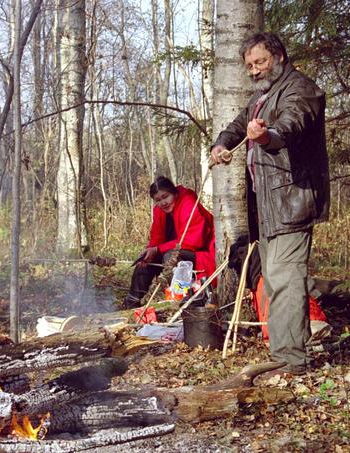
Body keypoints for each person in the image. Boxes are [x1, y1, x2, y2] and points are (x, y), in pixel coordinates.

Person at [210, 33, 330, 376]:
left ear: (278, 56)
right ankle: (285, 354)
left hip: (292, 202)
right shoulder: (262, 96)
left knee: (286, 280)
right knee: (274, 280)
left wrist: (266, 136)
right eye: (249, 65)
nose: (254, 70)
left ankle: (291, 360)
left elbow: (290, 126)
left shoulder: (301, 89)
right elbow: (237, 127)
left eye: (259, 62)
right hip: (267, 208)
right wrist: (222, 144)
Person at [123, 176, 216, 308]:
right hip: (179, 251)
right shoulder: (159, 211)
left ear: (174, 193)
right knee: (144, 263)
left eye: (166, 197)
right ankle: (131, 304)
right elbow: (156, 239)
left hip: (203, 253)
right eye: (158, 200)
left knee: (171, 257)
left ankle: (183, 300)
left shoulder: (188, 202)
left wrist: (159, 249)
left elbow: (194, 241)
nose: (163, 203)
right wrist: (150, 252)